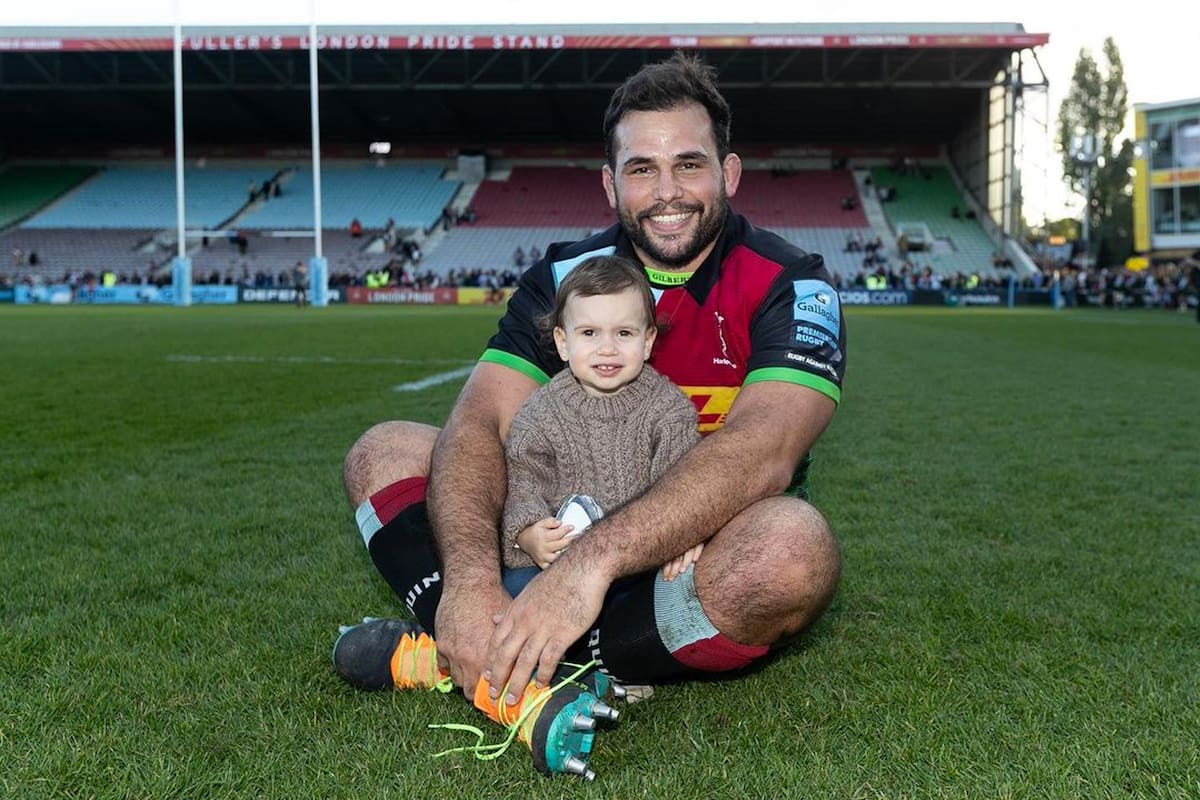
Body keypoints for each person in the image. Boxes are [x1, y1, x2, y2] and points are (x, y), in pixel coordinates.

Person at [334, 52, 845, 711]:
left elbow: (763, 448)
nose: (668, 191)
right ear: (610, 185)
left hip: (688, 560)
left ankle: (508, 656)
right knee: (384, 451)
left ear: (729, 173)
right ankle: (481, 633)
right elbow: (484, 420)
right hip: (558, 528)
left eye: (689, 164)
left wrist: (589, 566)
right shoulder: (561, 276)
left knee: (793, 551)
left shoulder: (792, 284)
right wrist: (466, 583)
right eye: (642, 169)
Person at [501, 255, 701, 590]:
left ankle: (624, 635)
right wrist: (529, 533)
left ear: (648, 341)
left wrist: (686, 532)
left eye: (624, 333)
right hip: (563, 556)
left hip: (643, 556)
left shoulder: (669, 410)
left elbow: (681, 482)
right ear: (563, 343)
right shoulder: (539, 414)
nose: (607, 348)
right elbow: (525, 484)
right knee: (519, 589)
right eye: (589, 333)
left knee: (688, 579)